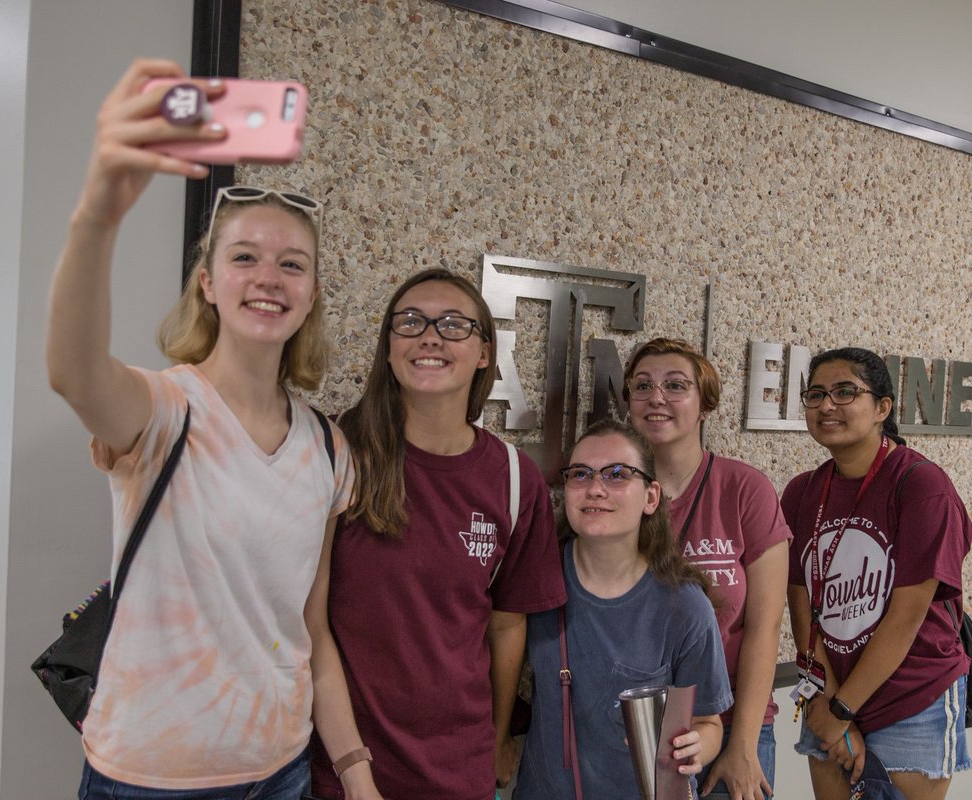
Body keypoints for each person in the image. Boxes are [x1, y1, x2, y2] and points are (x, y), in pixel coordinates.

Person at [46, 59, 377, 799]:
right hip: (149, 777)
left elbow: (310, 632)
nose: (269, 278)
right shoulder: (162, 410)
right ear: (209, 281)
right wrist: (98, 210)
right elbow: (72, 370)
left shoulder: (330, 449)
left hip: (280, 771)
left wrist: (356, 774)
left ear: (312, 293)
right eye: (245, 257)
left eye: (292, 264)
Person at [309, 269, 567, 800]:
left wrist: (495, 740)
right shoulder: (334, 453)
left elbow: (505, 626)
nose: (430, 335)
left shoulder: (516, 480)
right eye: (410, 322)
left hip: (459, 774)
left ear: (483, 354)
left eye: (453, 324)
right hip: (338, 773)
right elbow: (307, 625)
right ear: (387, 349)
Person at [781, 347, 972, 800]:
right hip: (828, 689)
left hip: (910, 698)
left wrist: (844, 708)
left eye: (845, 392)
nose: (827, 405)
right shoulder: (801, 492)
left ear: (883, 408)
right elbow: (800, 605)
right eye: (816, 394)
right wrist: (830, 703)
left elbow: (907, 616)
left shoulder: (922, 486)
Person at [514, 419, 734, 800]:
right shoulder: (538, 581)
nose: (595, 489)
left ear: (651, 497)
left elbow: (708, 722)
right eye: (580, 474)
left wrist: (697, 746)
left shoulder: (683, 605)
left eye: (618, 474)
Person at [623, 338, 792, 800]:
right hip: (640, 726)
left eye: (675, 385)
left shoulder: (745, 490)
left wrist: (742, 744)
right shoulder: (614, 489)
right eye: (642, 386)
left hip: (737, 727)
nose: (656, 397)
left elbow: (763, 626)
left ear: (705, 405)